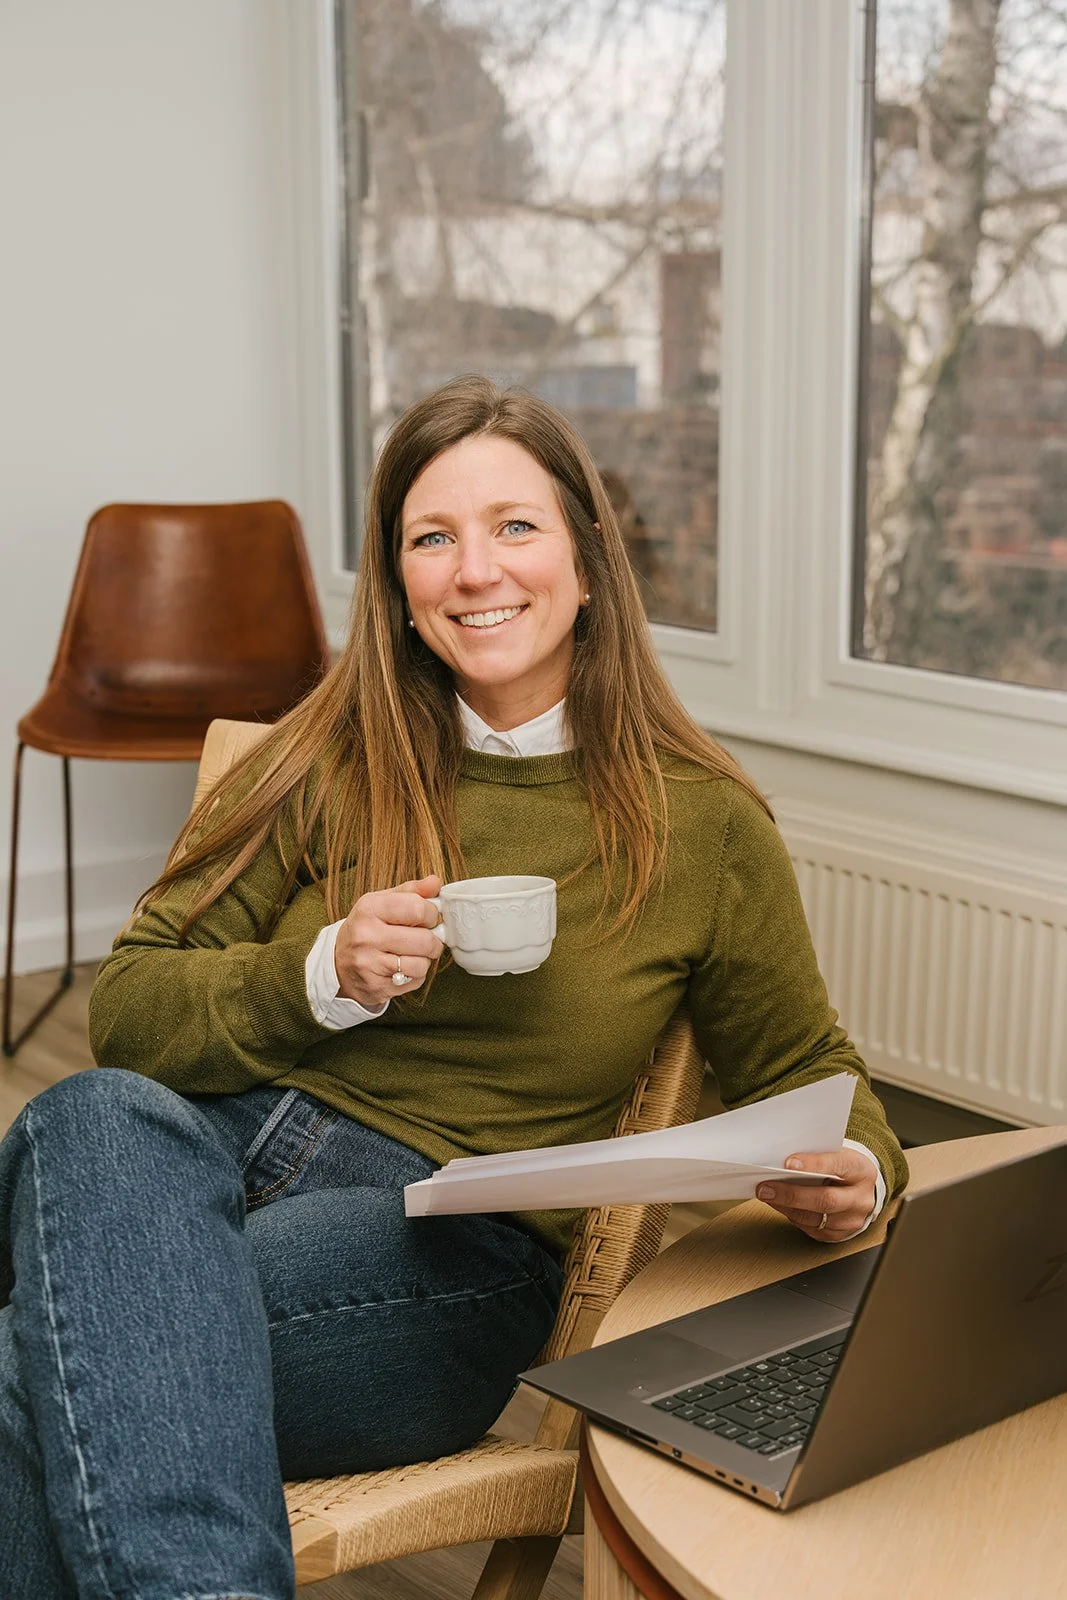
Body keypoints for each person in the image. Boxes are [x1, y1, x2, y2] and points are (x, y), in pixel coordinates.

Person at [0, 376, 908, 1599]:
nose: (475, 570)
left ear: (587, 563)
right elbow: (131, 1009)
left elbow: (815, 1072)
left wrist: (857, 1170)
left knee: (35, 1350)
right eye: (433, 538)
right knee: (90, 1114)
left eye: (514, 528)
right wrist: (320, 972)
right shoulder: (321, 757)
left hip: (447, 1243)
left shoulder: (702, 825)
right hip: (218, 1155)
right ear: (400, 589)